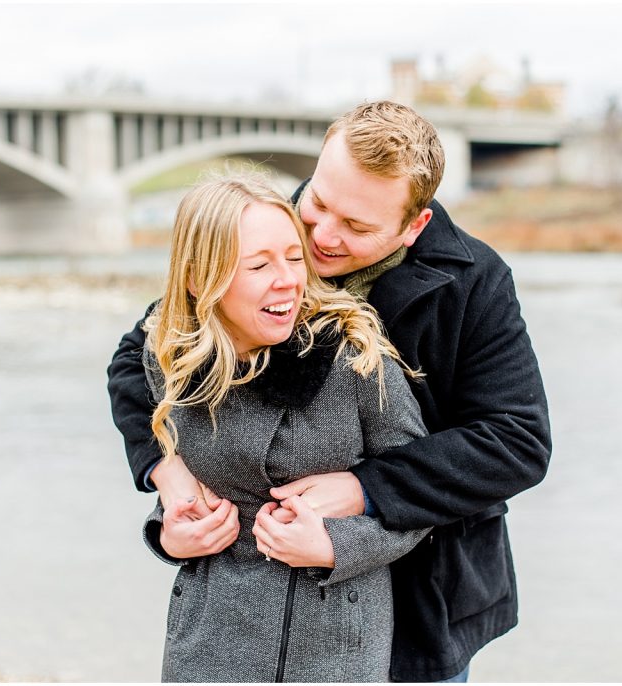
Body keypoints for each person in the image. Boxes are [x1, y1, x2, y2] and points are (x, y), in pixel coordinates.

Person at [108, 101, 552, 682]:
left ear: (413, 226)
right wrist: (167, 480)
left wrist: (363, 488)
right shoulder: (270, 227)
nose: (321, 236)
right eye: (317, 201)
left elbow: (517, 442)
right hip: (242, 609)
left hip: (424, 591)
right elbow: (141, 360)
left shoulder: (475, 281)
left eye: (357, 227)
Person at [135, 175, 431, 682]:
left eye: (295, 258)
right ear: (199, 278)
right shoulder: (169, 357)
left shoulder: (355, 360)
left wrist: (337, 546)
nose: (288, 280)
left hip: (337, 646)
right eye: (258, 265)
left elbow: (420, 496)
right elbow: (188, 484)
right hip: (208, 643)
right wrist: (168, 535)